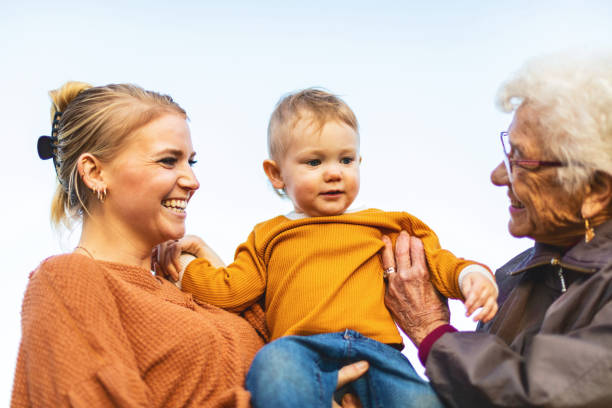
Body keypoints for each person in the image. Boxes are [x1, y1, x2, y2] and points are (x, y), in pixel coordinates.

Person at [11, 81, 367, 408]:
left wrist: (223, 282)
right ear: (94, 172)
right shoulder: (68, 281)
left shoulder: (199, 291)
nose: (192, 180)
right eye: (169, 160)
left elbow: (292, 350)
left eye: (191, 161)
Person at [164, 88, 498, 407]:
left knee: (422, 400)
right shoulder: (268, 235)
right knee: (272, 370)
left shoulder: (386, 224)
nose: (334, 173)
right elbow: (232, 289)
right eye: (314, 162)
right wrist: (187, 267)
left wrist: (470, 276)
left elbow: (438, 263)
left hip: (378, 352)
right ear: (276, 174)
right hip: (300, 349)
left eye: (346, 159)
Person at [382, 53, 612, 407]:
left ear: (596, 192)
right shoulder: (511, 278)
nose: (498, 176)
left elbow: (541, 398)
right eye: (508, 151)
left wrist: (433, 332)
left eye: (521, 160)